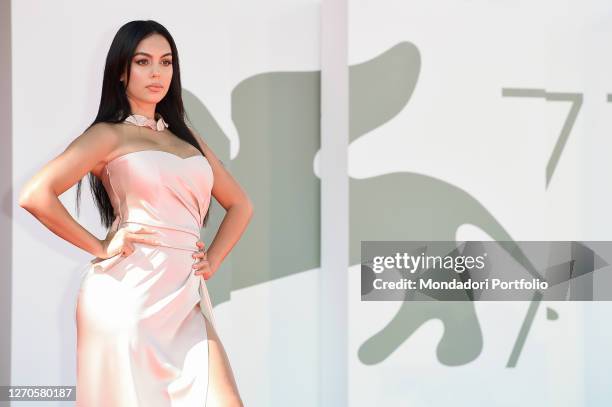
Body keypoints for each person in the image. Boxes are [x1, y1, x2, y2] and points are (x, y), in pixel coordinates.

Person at [18, 20, 252, 407]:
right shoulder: (108, 134)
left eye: (166, 61)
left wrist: (212, 259)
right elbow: (35, 195)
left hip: (185, 299)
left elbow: (241, 204)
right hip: (128, 296)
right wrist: (101, 245)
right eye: (143, 62)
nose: (157, 72)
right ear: (122, 71)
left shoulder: (188, 140)